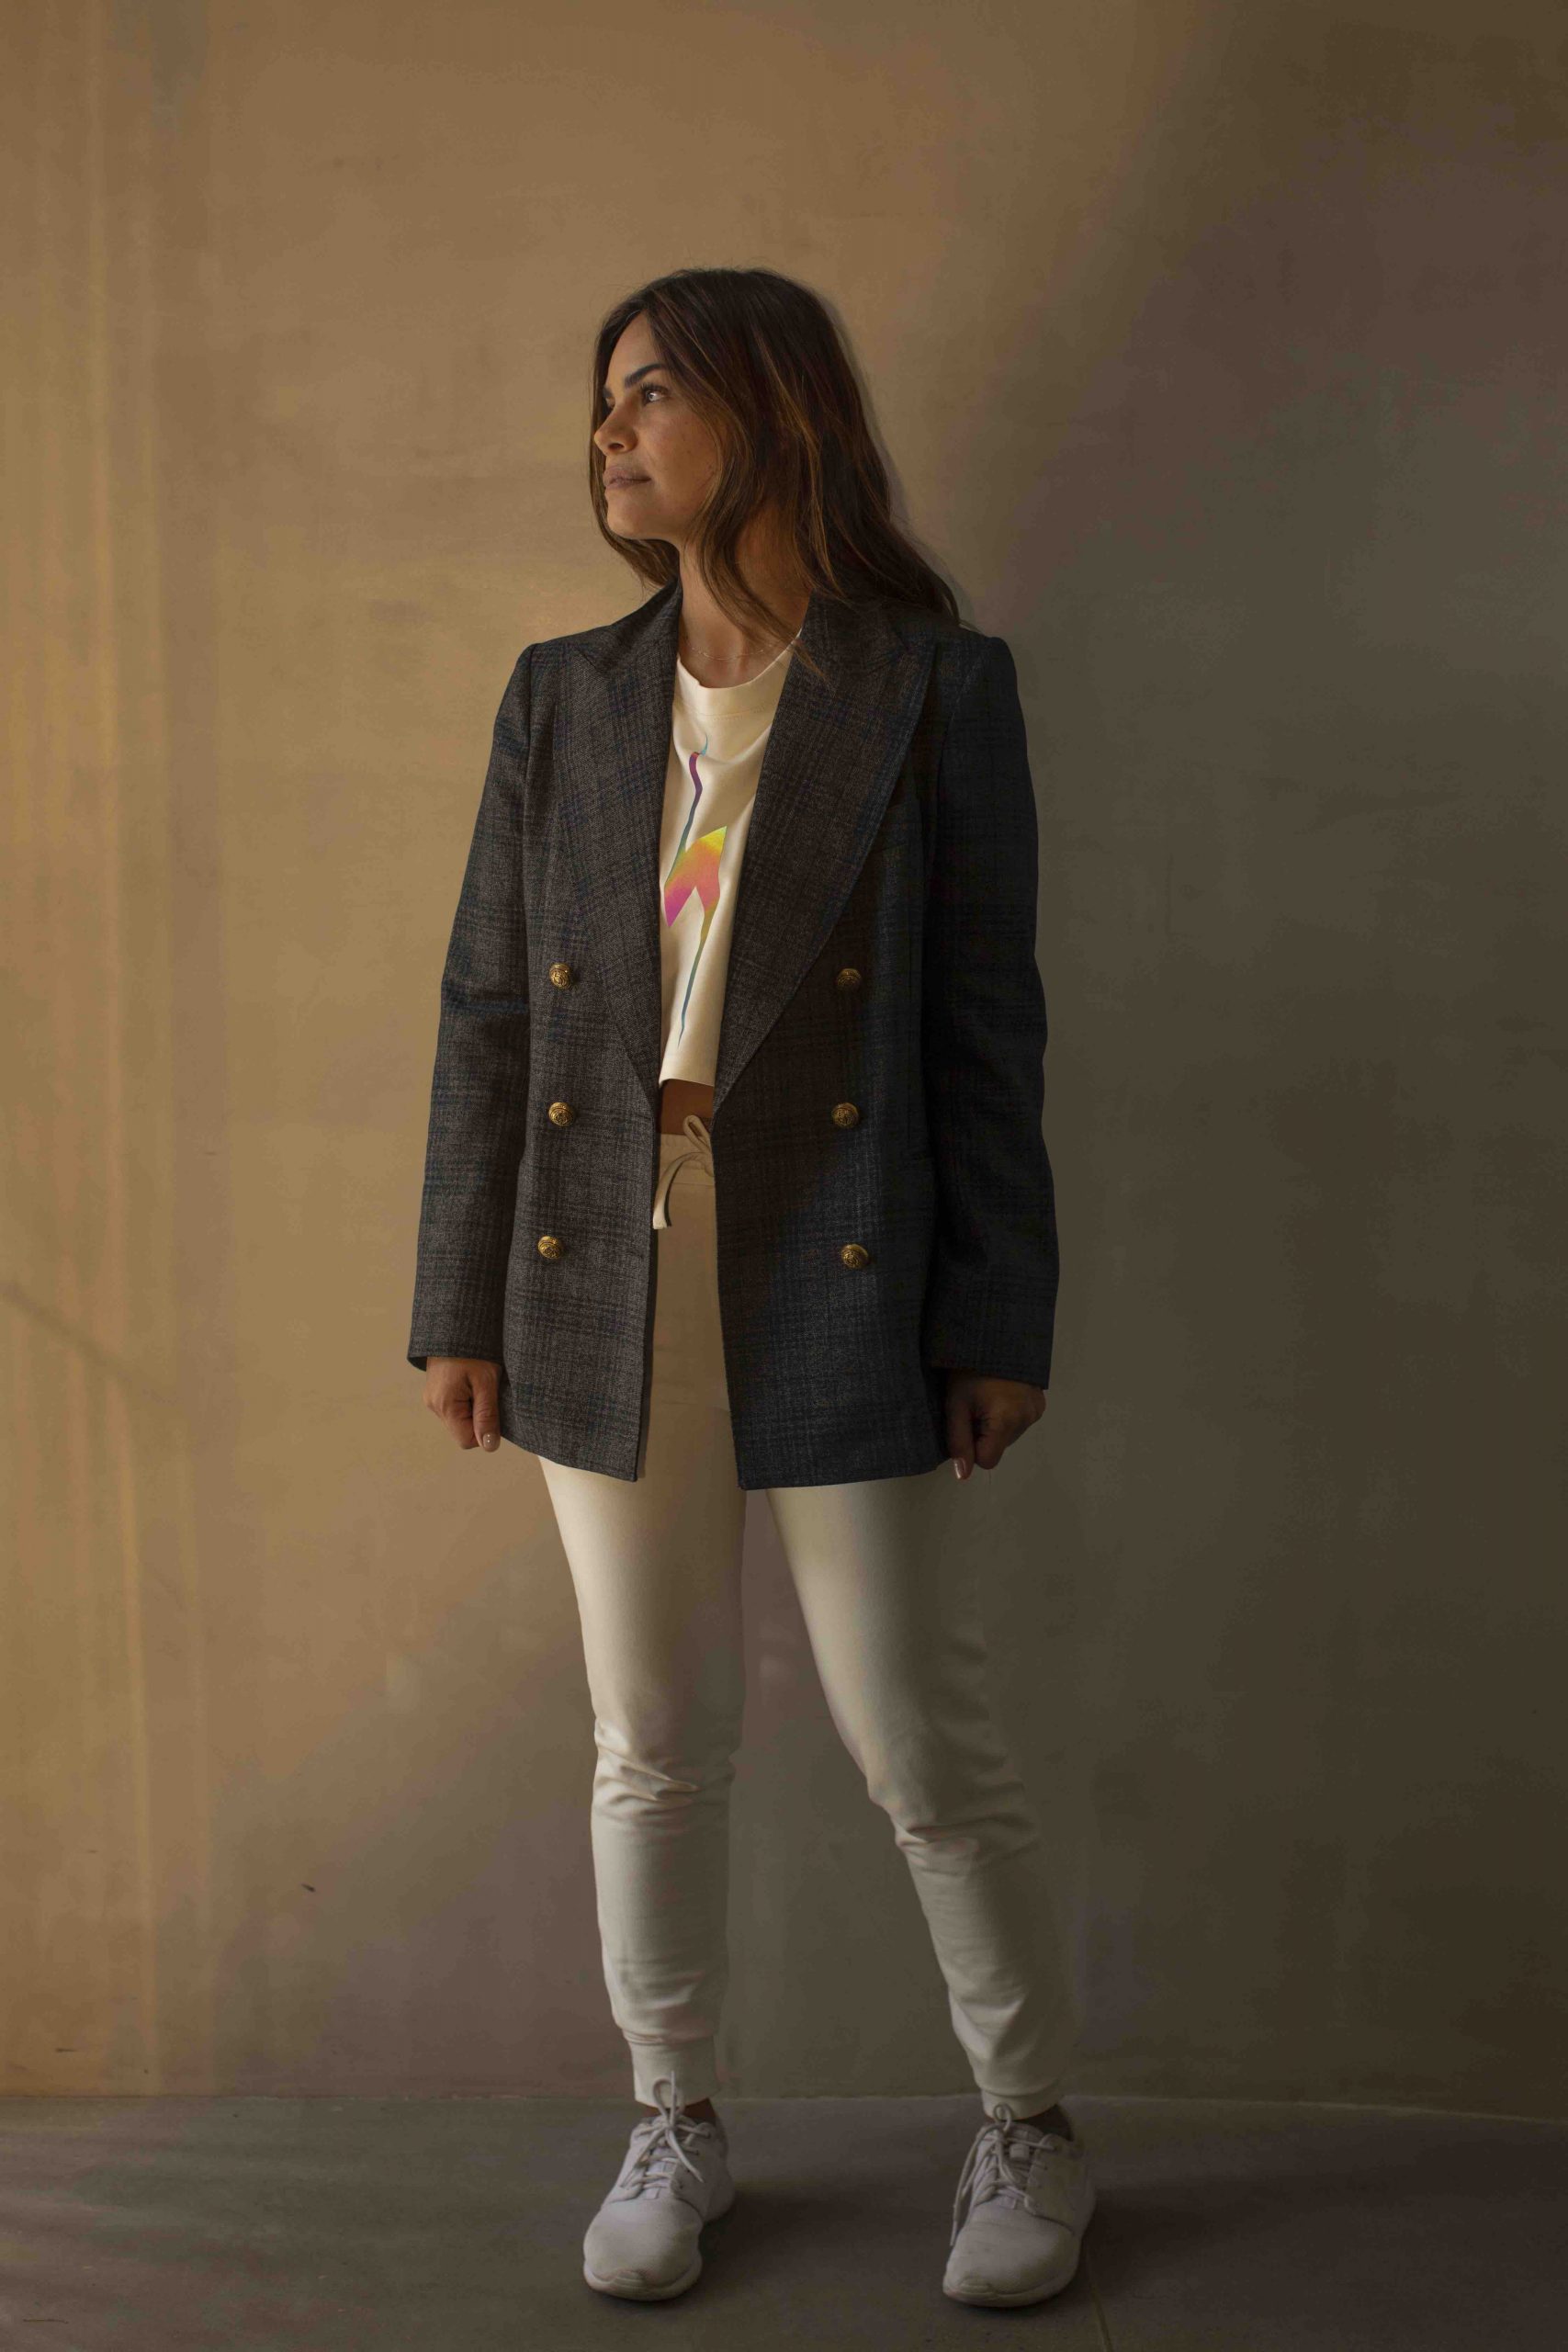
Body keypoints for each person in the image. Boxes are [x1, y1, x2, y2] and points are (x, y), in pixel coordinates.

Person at [407, 266, 1094, 2310]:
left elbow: (985, 1024)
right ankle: (675, 2114)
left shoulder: (932, 687)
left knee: (918, 1737)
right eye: (602, 402)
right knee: (650, 1732)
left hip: (843, 1250)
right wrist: (458, 1298)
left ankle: (1030, 2124)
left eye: (647, 395)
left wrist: (995, 1315)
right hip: (592, 1260)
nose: (607, 434)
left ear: (768, 408)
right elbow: (485, 1013)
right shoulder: (564, 693)